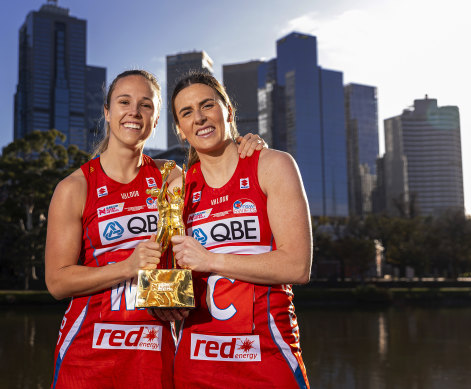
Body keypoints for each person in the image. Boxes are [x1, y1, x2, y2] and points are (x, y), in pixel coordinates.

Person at [44, 69, 266, 388]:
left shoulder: (171, 176)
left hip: (153, 350)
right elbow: (57, 281)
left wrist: (248, 144)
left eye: (146, 105)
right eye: (124, 102)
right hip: (88, 353)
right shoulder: (75, 187)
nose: (134, 111)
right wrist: (127, 267)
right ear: (107, 112)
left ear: (157, 119)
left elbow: (217, 179)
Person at [167, 72, 312, 388]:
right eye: (187, 112)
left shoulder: (272, 165)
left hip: (267, 357)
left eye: (208, 105)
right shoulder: (177, 189)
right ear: (179, 129)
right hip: (195, 364)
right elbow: (170, 280)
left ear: (228, 111)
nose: (200, 117)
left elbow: (297, 266)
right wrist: (164, 299)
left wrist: (211, 260)